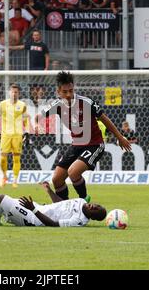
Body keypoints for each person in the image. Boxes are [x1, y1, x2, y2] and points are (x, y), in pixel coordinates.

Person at [34, 71, 132, 201]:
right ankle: (64, 206)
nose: (69, 95)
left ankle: (84, 201)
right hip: (76, 145)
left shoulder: (86, 102)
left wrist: (120, 138)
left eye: (71, 90)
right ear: (58, 92)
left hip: (94, 145)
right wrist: (37, 125)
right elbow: (38, 117)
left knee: (73, 172)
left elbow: (105, 119)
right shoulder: (56, 105)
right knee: (56, 179)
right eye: (65, 92)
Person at [0, 181, 107, 227]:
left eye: (96, 210)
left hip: (33, 219)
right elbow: (62, 204)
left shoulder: (78, 221)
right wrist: (49, 191)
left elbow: (53, 224)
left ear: (93, 217)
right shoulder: (80, 202)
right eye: (98, 205)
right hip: (37, 208)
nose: (95, 206)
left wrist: (33, 209)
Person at [0, 84, 31, 188]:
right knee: (2, 158)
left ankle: (15, 180)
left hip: (18, 135)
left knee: (16, 158)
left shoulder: (22, 105)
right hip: (5, 135)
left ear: (18, 93)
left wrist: (27, 132)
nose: (14, 94)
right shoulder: (3, 104)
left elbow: (25, 120)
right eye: (12, 92)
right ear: (9, 92)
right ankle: (4, 177)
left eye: (16, 92)